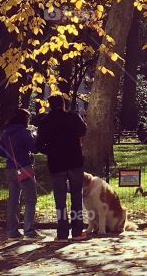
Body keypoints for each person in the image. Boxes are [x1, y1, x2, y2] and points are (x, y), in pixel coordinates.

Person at [36, 95, 88, 241]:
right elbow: (83, 131)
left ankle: (62, 232)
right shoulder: (73, 117)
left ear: (49, 105)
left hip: (56, 163)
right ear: (63, 104)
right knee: (76, 197)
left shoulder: (45, 121)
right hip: (74, 161)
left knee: (60, 199)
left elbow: (39, 144)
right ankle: (77, 231)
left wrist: (51, 151)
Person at [0, 108, 40, 239]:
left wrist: (11, 156)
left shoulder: (6, 133)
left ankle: (12, 231)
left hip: (10, 168)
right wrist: (35, 136)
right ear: (25, 119)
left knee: (13, 200)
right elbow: (34, 149)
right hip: (24, 167)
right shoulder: (24, 132)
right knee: (31, 199)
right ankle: (29, 231)